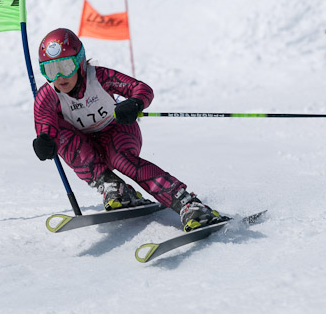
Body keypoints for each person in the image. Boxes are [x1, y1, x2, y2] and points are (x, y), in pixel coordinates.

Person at [32, 28, 220, 232]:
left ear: (79, 61)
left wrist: (135, 103)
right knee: (61, 134)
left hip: (118, 133)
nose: (59, 77)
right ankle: (112, 186)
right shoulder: (47, 96)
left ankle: (189, 204)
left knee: (121, 159)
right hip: (86, 146)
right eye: (50, 70)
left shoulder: (100, 77)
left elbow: (142, 89)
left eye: (65, 66)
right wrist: (45, 142)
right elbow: (46, 126)